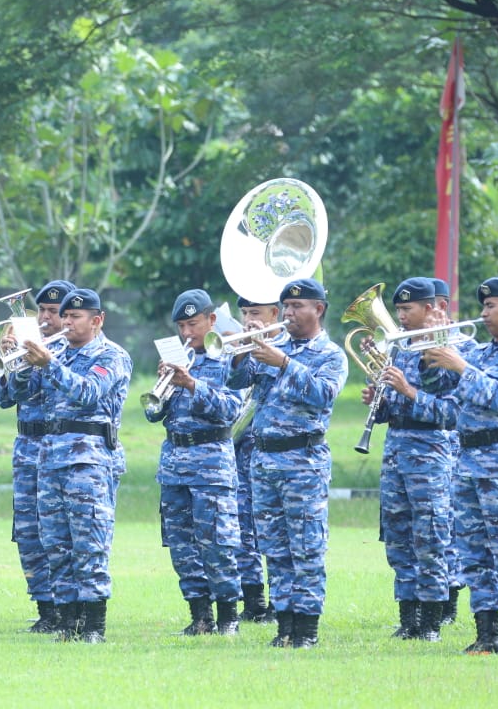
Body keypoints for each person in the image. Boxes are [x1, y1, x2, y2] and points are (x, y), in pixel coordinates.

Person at [424, 275, 498, 655]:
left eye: (492, 306)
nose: (484, 313)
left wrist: (460, 364)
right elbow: (435, 383)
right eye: (484, 306)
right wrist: (430, 344)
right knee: (475, 552)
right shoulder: (481, 352)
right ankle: (487, 632)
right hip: (469, 459)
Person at [228, 277, 348, 649]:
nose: (289, 314)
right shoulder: (272, 346)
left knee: (306, 548)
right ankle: (285, 624)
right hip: (263, 460)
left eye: (298, 307)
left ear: (319, 309)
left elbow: (323, 395)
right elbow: (235, 380)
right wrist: (241, 349)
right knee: (275, 549)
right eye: (286, 307)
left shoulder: (331, 355)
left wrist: (284, 363)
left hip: (303, 461)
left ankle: (307, 628)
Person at [12, 288, 132, 643]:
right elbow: (15, 395)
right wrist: (17, 361)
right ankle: (67, 622)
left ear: (96, 320)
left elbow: (87, 392)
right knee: (56, 545)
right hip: (49, 459)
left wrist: (48, 363)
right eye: (63, 317)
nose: (66, 323)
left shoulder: (112, 356)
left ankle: (93, 625)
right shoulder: (57, 352)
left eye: (74, 317)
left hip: (90, 461)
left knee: (89, 543)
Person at [365, 278, 460, 642]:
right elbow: (400, 404)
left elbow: (450, 413)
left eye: (408, 309)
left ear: (430, 310)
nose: (401, 316)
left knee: (430, 538)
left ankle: (432, 621)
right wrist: (383, 401)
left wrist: (407, 390)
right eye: (399, 309)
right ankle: (408, 619)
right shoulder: (399, 347)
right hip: (396, 452)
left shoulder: (445, 350)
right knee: (399, 538)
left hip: (430, 454)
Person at [145, 289, 243, 636]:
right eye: (182, 326)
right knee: (182, 545)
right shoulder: (175, 358)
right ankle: (200, 615)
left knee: (218, 543)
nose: (187, 333)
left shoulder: (230, 358)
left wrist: (192, 385)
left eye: (193, 324)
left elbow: (232, 410)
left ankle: (229, 617)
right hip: (174, 465)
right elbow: (151, 413)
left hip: (212, 465)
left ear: (211, 320)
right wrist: (165, 385)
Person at [0, 279, 74, 633]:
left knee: (61, 533)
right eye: (40, 310)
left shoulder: (73, 352)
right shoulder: (30, 348)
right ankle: (46, 608)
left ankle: (69, 606)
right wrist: (14, 361)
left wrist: (48, 362)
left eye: (53, 312)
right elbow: (5, 399)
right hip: (27, 450)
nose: (45, 318)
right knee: (28, 532)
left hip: (63, 449)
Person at [230, 295, 284, 623]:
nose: (249, 319)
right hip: (242, 449)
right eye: (245, 313)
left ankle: (281, 601)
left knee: (275, 529)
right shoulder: (248, 347)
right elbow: (235, 381)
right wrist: (240, 351)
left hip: (273, 448)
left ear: (274, 314)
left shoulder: (289, 350)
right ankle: (252, 599)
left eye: (256, 313)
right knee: (242, 525)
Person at [430, 277, 467, 625]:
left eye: (435, 306)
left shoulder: (463, 345)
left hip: (451, 444)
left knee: (449, 525)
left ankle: (451, 598)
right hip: (419, 446)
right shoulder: (412, 344)